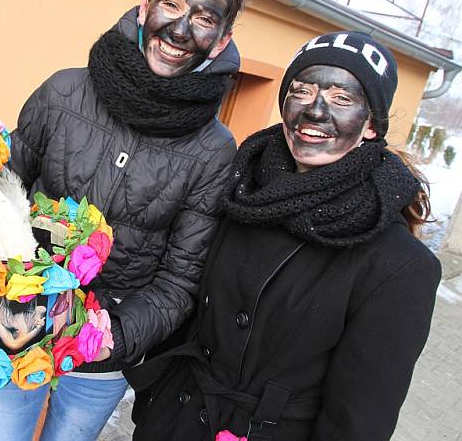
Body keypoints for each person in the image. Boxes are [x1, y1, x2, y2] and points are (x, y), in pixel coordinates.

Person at [0, 0, 244, 441]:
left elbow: (182, 278)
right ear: (146, 5)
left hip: (103, 354)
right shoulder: (63, 92)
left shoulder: (215, 150)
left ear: (222, 40)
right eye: (173, 5)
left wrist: (114, 336)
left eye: (204, 18)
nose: (181, 31)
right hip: (18, 322)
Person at [127, 31, 441, 440]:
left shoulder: (399, 265)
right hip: (172, 422)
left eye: (342, 99)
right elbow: (189, 312)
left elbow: (357, 424)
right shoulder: (242, 193)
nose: (315, 111)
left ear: (370, 126)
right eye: (301, 91)